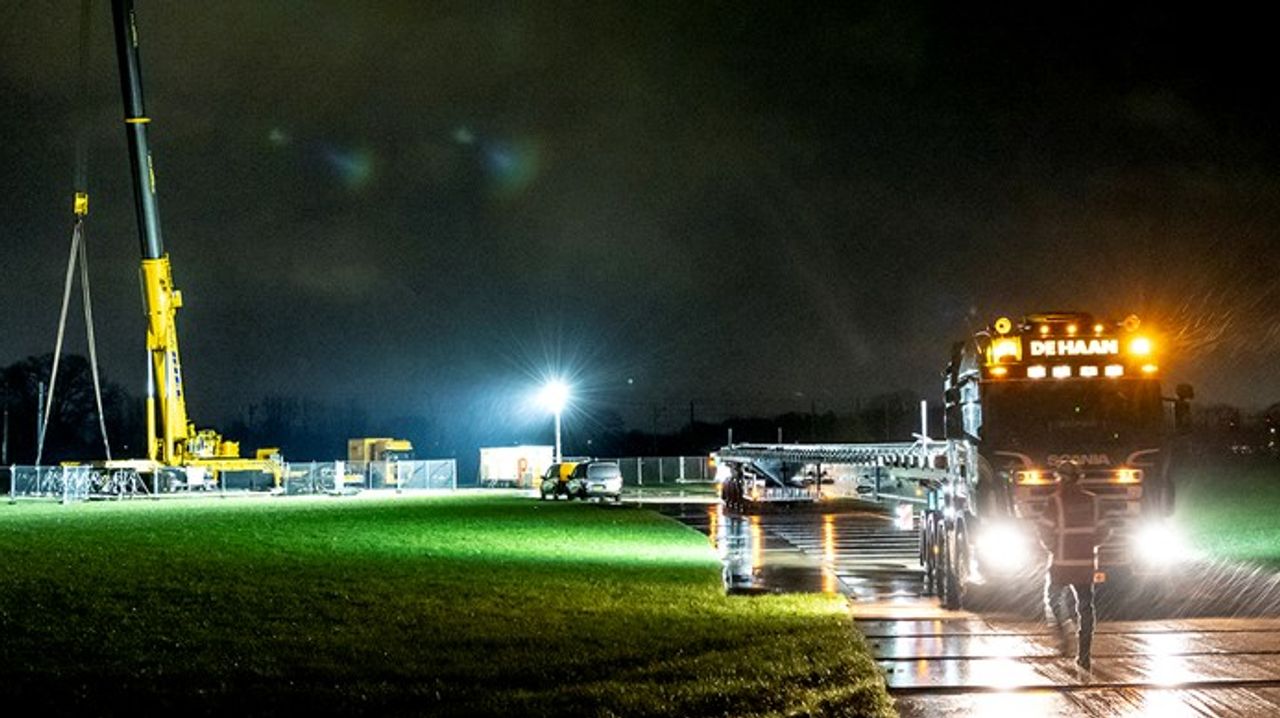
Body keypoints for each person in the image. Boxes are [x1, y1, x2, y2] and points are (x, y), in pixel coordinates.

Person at [1037, 460, 1108, 671]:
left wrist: (1054, 547)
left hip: (1061, 563)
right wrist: (1089, 546)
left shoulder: (1054, 501)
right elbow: (1105, 530)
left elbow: (1044, 530)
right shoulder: (1094, 501)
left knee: (1053, 599)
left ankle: (1064, 634)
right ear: (1079, 478)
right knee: (1086, 608)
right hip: (1085, 564)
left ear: (1060, 478)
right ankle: (1084, 655)